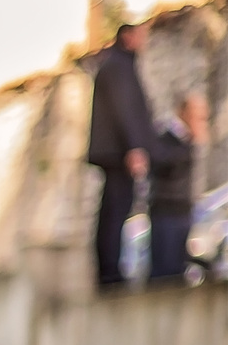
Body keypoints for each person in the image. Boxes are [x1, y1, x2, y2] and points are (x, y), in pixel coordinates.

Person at [87, 21, 156, 290]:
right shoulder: (118, 65)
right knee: (115, 210)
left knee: (113, 210)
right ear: (128, 35)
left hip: (115, 151)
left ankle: (109, 272)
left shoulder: (116, 64)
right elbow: (125, 109)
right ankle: (110, 274)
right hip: (118, 152)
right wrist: (134, 147)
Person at [147, 91, 208, 284]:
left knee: (177, 270)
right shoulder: (167, 138)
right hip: (166, 210)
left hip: (182, 210)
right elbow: (163, 165)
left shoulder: (187, 143)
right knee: (163, 271)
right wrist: (189, 145)